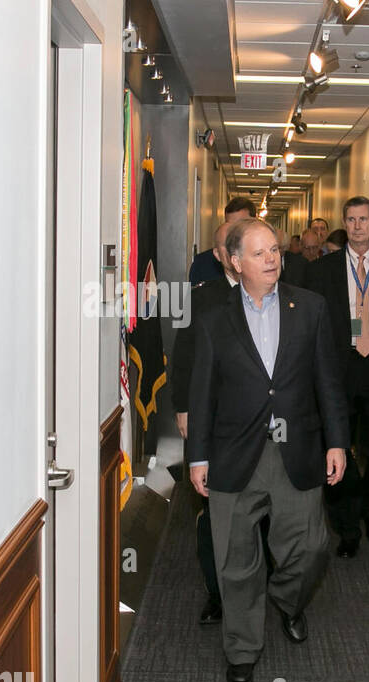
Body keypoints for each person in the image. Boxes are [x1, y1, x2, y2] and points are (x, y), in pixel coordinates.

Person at [186, 218, 349, 682]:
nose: (272, 259)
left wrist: (337, 441)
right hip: (233, 453)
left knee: (312, 546)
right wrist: (198, 457)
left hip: (295, 448)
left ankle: (285, 598)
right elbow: (202, 393)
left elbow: (328, 381)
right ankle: (242, 647)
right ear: (235, 263)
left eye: (275, 250)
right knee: (234, 558)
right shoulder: (215, 317)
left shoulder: (310, 308)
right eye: (259, 254)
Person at [307, 197, 369, 554]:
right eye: (350, 220)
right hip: (340, 367)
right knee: (337, 451)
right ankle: (347, 528)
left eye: (363, 219)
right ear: (345, 223)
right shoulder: (323, 269)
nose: (357, 226)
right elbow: (314, 326)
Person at [173, 220, 240, 625]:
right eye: (226, 246)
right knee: (213, 510)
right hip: (212, 421)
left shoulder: (278, 297)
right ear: (219, 256)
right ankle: (217, 592)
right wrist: (183, 409)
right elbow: (183, 356)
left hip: (259, 425)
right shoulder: (202, 298)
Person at [188, 197, 256, 285]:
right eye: (230, 225)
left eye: (241, 225)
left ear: (255, 222)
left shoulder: (267, 259)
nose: (235, 231)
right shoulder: (203, 264)